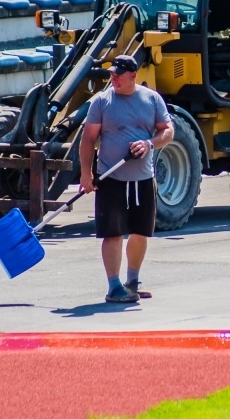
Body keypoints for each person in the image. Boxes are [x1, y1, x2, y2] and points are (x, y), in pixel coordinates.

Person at [79, 55, 174, 303]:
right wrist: (86, 173)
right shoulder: (101, 102)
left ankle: (132, 282)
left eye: (118, 75)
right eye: (111, 74)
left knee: (141, 232)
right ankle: (114, 286)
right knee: (112, 233)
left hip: (143, 178)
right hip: (111, 177)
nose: (114, 79)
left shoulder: (151, 99)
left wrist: (149, 143)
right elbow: (88, 139)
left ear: (133, 75)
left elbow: (167, 131)